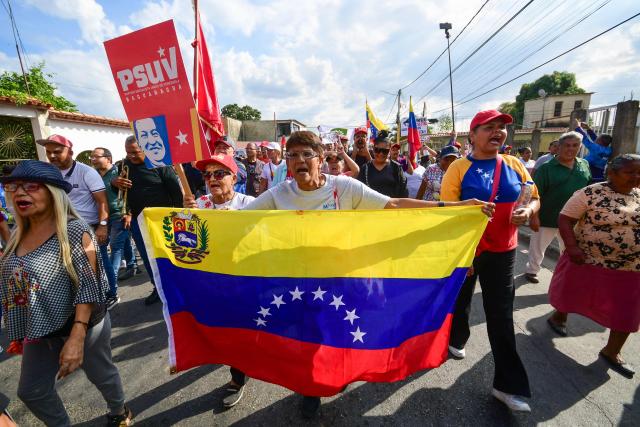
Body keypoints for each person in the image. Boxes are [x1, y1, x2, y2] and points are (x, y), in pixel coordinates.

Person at [243, 130, 494, 418]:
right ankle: (310, 389)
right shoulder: (279, 194)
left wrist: (457, 207)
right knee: (309, 336)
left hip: (343, 278)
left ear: (321, 158)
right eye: (293, 155)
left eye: (307, 154)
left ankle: (339, 373)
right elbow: (239, 221)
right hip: (301, 281)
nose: (300, 160)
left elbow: (395, 205)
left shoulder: (345, 188)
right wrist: (191, 217)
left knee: (339, 331)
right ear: (287, 161)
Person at [0, 160, 133, 426]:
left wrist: (76, 337)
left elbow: (88, 285)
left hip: (82, 325)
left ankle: (120, 412)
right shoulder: (16, 234)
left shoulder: (75, 230)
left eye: (31, 186)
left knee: (101, 375)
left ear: (53, 193)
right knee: (32, 391)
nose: (19, 193)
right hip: (39, 328)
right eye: (13, 187)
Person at [441, 110, 540, 413]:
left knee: (501, 315)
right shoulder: (458, 168)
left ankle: (507, 386)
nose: (497, 132)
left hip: (504, 252)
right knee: (460, 300)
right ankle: (457, 337)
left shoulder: (514, 164)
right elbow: (446, 214)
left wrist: (529, 210)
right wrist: (463, 252)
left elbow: (534, 196)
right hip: (468, 250)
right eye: (489, 127)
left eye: (501, 128)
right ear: (473, 134)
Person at [547, 154, 640, 378]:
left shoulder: (638, 195)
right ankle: (559, 317)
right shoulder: (590, 193)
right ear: (612, 173)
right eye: (631, 172)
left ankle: (612, 351)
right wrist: (572, 248)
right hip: (588, 260)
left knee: (627, 311)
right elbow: (565, 219)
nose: (636, 177)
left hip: (631, 268)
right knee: (572, 292)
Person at [38, 135, 117, 309]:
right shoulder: (48, 173)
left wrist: (103, 227)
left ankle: (111, 294)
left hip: (89, 227)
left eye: (57, 152)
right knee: (71, 265)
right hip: (61, 228)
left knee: (99, 261)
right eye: (49, 152)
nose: (52, 156)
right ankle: (84, 299)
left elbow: (102, 201)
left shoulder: (87, 172)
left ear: (71, 152)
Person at [112, 136, 183, 305]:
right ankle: (157, 288)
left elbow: (175, 190)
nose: (131, 156)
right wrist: (115, 184)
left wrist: (178, 215)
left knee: (170, 255)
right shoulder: (123, 165)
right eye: (128, 153)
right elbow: (119, 193)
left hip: (163, 220)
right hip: (138, 220)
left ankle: (178, 288)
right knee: (147, 256)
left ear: (145, 150)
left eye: (135, 153)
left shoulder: (159, 164)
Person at [524, 132, 591, 283]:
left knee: (568, 249)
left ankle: (565, 274)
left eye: (575, 145)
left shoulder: (584, 165)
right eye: (567, 145)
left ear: (580, 147)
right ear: (558, 147)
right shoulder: (546, 168)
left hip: (573, 219)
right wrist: (534, 217)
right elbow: (535, 194)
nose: (571, 149)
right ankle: (532, 271)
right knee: (538, 247)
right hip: (548, 216)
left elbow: (587, 190)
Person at [91, 147, 138, 286]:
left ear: (108, 158)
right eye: (91, 157)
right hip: (104, 217)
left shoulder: (119, 170)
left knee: (115, 246)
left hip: (120, 214)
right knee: (124, 243)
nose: (93, 159)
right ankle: (131, 266)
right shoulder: (94, 175)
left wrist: (129, 213)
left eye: (96, 156)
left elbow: (131, 192)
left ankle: (111, 281)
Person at [184, 154, 255, 210]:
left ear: (233, 179)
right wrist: (189, 214)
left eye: (219, 174)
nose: (212, 179)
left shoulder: (248, 203)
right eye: (207, 174)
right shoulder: (199, 203)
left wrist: (238, 215)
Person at [357, 131, 408, 198]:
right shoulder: (365, 168)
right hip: (371, 207)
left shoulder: (397, 168)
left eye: (385, 151)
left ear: (389, 150)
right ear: (373, 149)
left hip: (391, 207)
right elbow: (359, 192)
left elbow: (403, 193)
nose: (381, 153)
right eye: (377, 150)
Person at [572, 118, 612, 182]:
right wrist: (588, 128)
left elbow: (584, 138)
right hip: (600, 171)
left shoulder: (595, 148)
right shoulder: (608, 149)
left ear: (600, 142)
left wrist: (578, 128)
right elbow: (595, 138)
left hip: (590, 168)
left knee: (587, 183)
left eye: (598, 138)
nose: (596, 139)